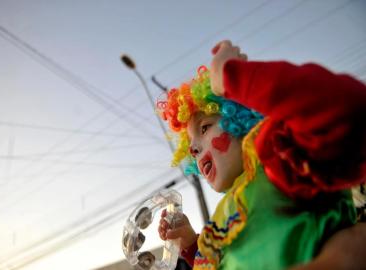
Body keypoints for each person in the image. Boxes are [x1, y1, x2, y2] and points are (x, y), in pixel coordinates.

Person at [156, 40, 366, 270]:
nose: (194, 149)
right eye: (192, 148)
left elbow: (345, 108)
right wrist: (190, 245)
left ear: (239, 118)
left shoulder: (280, 158)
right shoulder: (225, 214)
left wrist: (232, 77)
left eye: (204, 128)